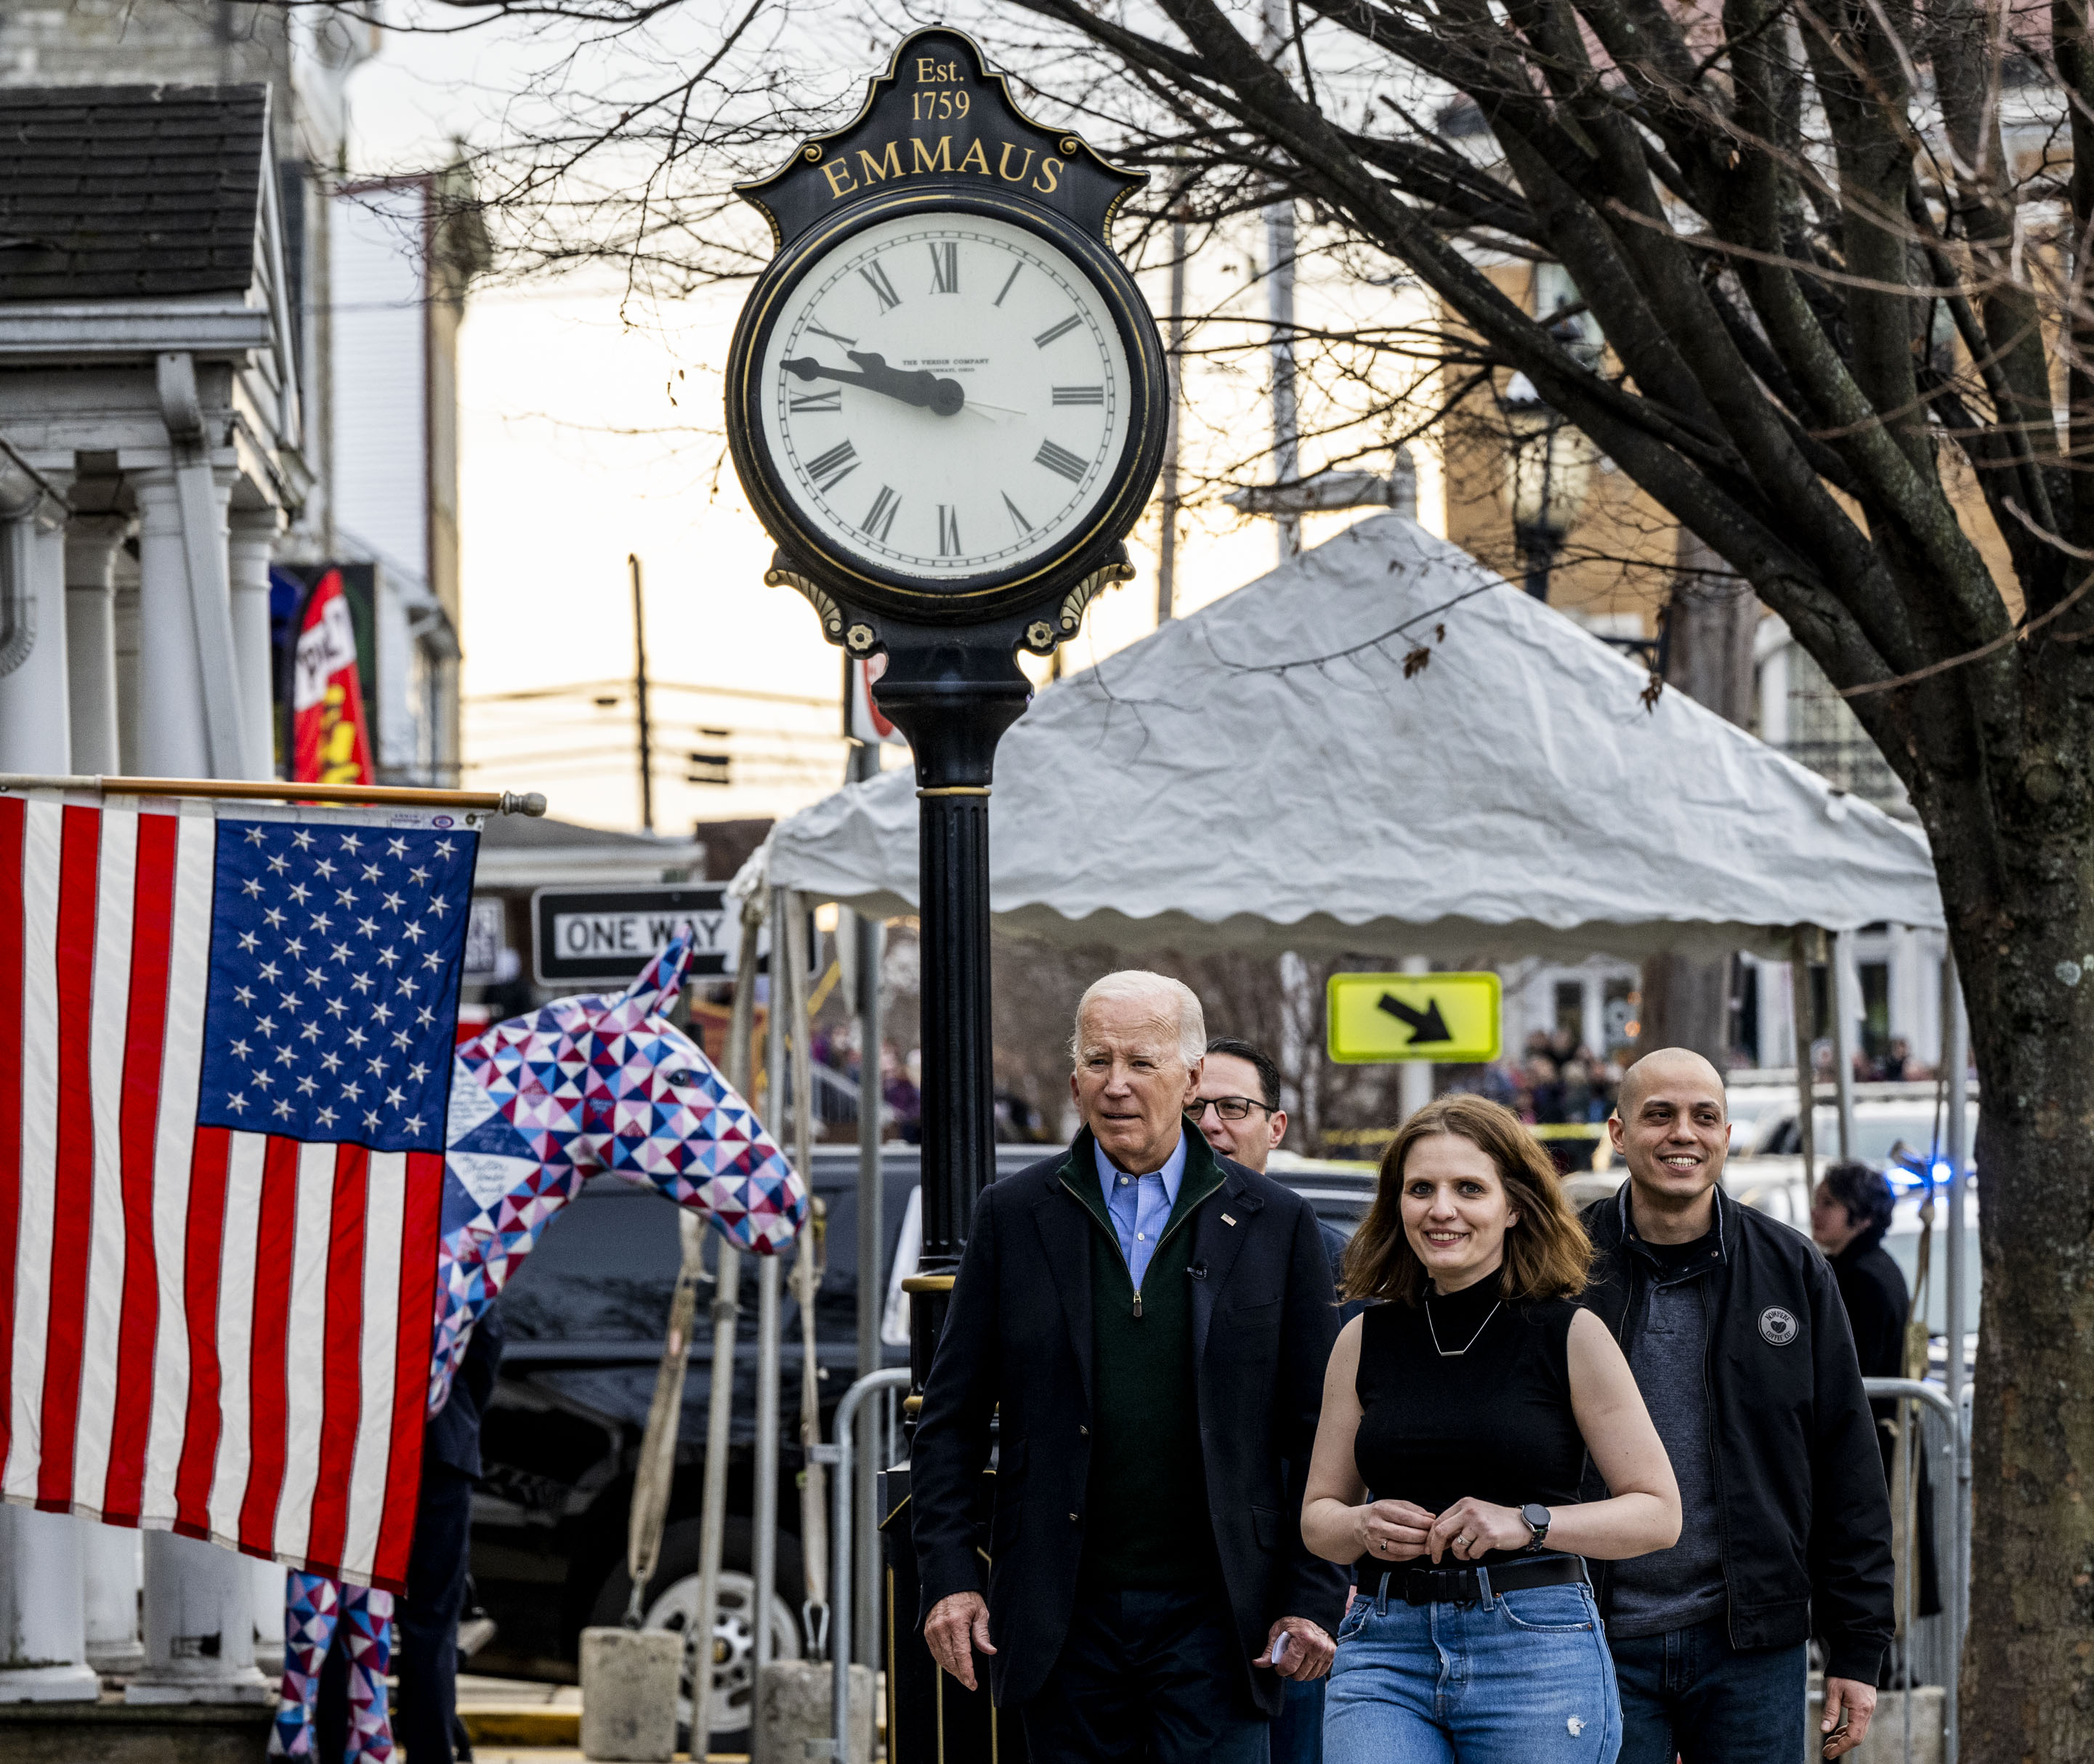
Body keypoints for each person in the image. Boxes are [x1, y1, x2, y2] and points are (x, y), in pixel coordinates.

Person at [912, 973, 1349, 1763]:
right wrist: (948, 1575)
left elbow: (1319, 1434)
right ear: (1072, 1076)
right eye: (1097, 1060)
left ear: (1188, 1080)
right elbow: (948, 1420)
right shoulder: (1012, 1216)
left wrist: (1311, 1593)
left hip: (1223, 1622)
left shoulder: (1275, 1224)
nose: (1115, 1084)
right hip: (1059, 1618)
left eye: (1141, 1062)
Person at [1304, 1093, 1681, 1764]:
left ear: (1513, 1208)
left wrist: (1527, 1523)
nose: (1441, 1209)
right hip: (1386, 1649)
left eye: (1468, 1189)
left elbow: (1657, 1514)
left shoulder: (1571, 1334)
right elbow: (1319, 1517)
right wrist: (1361, 1527)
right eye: (1421, 1189)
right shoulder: (1363, 1338)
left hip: (1533, 1649)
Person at [1587, 1050, 1894, 1764]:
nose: (1680, 1134)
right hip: (1589, 1633)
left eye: (1702, 1116)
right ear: (1618, 1131)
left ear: (1726, 1135)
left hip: (1750, 1641)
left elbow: (1845, 1463)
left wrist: (1856, 1646)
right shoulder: (1562, 1267)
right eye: (1657, 1114)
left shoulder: (1791, 1269)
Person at [1192, 1036, 1332, 1764]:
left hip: (1295, 1584)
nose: (1209, 1122)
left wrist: (1316, 1584)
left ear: (1273, 1127)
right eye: (1194, 1107)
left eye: (1232, 1107)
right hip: (1190, 1603)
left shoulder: (1322, 1250)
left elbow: (1329, 1434)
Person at [1812, 1161, 1939, 1632]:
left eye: (1829, 1204)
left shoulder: (1857, 1277)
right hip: (1882, 1439)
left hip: (1868, 1445)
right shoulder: (1869, 1266)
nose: (1816, 1211)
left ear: (1861, 1217)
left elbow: (1851, 1368)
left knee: (1857, 1560)